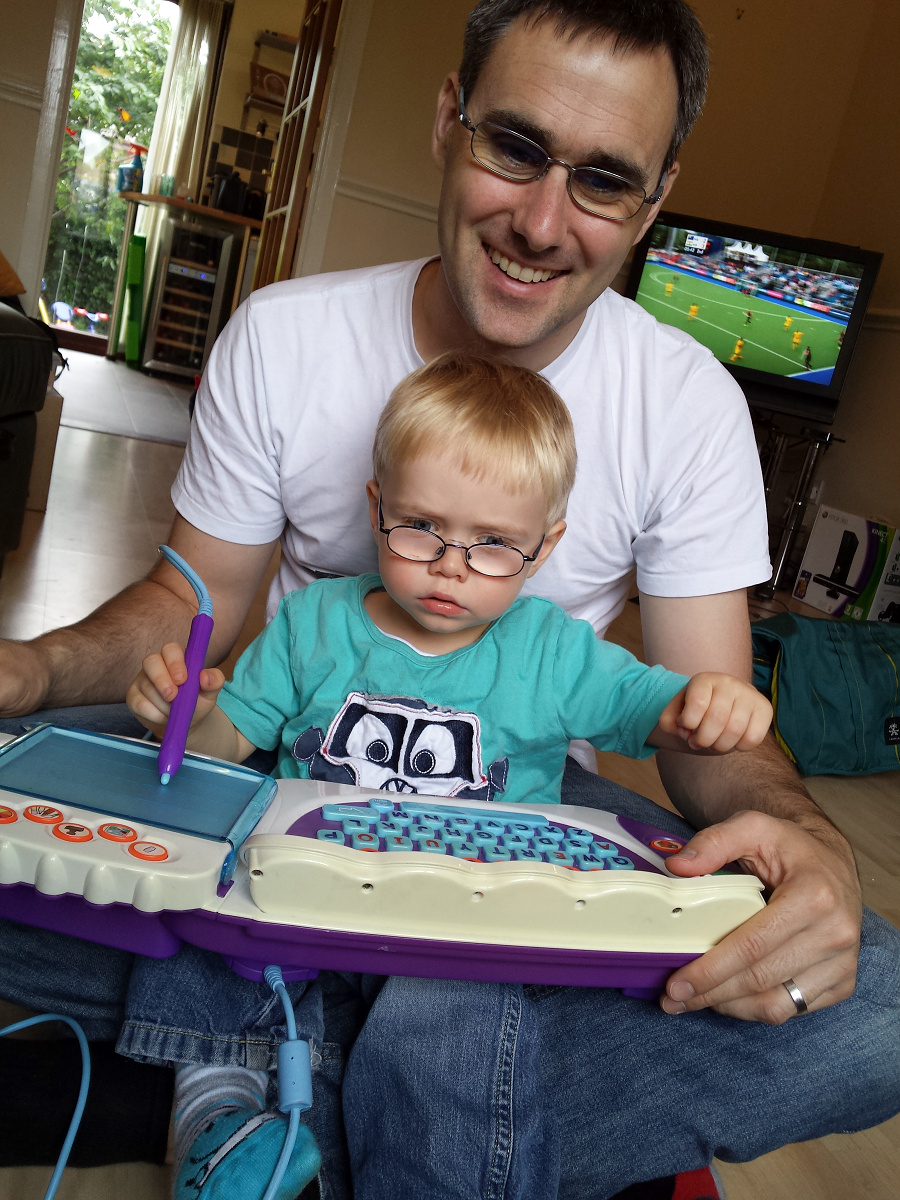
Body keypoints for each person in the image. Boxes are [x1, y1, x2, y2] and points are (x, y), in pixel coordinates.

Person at [1, 1, 897, 1197]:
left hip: (508, 815)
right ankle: (425, 1102)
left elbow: (697, 724)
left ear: (657, 197)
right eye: (516, 146)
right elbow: (193, 613)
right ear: (449, 119)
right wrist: (36, 671)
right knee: (62, 806)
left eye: (604, 180)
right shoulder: (287, 343)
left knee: (875, 1007)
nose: (541, 222)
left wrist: (808, 840)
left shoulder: (687, 409)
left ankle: (241, 1073)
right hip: (286, 785)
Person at [127, 353, 774, 1200]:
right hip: (297, 884)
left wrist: (703, 703)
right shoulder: (314, 620)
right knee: (206, 919)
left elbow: (643, 701)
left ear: (545, 547)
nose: (450, 565)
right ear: (376, 507)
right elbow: (223, 742)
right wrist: (180, 715)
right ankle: (220, 1120)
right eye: (421, 526)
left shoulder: (549, 649)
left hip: (461, 912)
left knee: (457, 1029)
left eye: (494, 544)